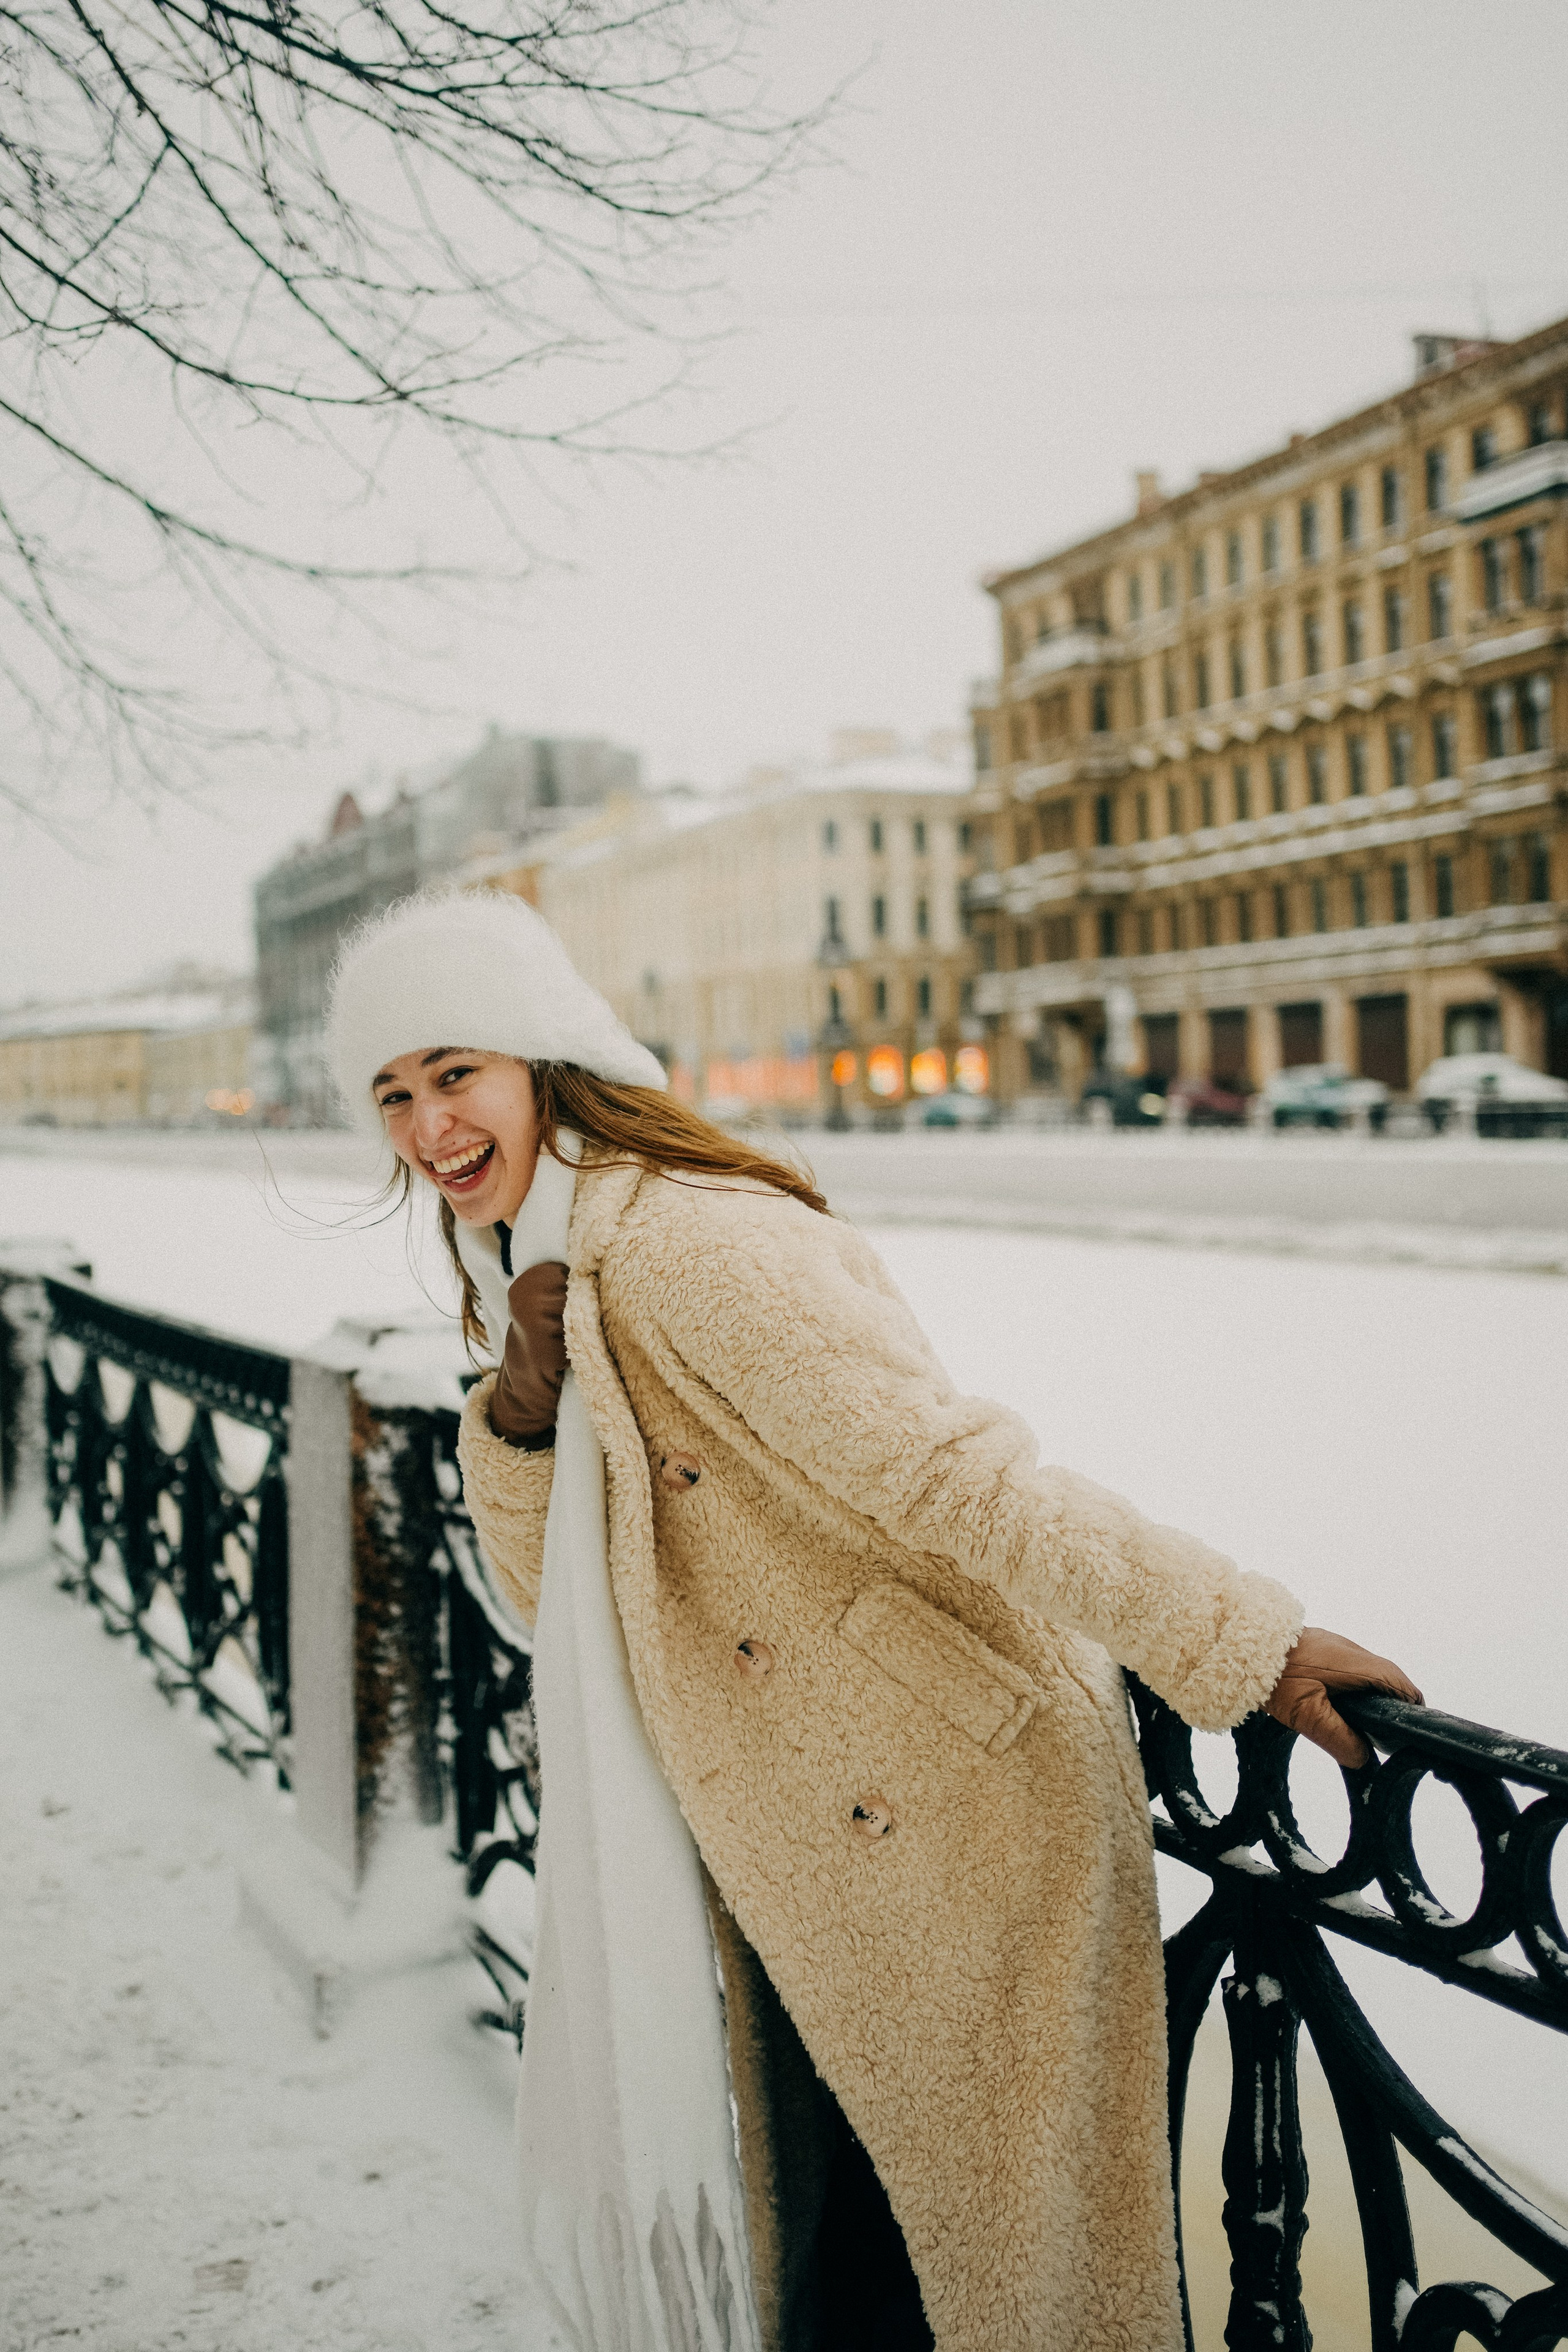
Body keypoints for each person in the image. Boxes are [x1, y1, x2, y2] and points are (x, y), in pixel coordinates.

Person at [325, 889, 1421, 2352]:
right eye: (392, 1093)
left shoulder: (687, 1242)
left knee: (988, 2286)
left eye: (454, 1074)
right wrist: (517, 1417)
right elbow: (552, 1599)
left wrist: (1242, 1645)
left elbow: (952, 1477)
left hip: (954, 1818)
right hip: (792, 1835)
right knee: (867, 2275)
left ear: (544, 1066)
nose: (424, 1126)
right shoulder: (545, 1263)